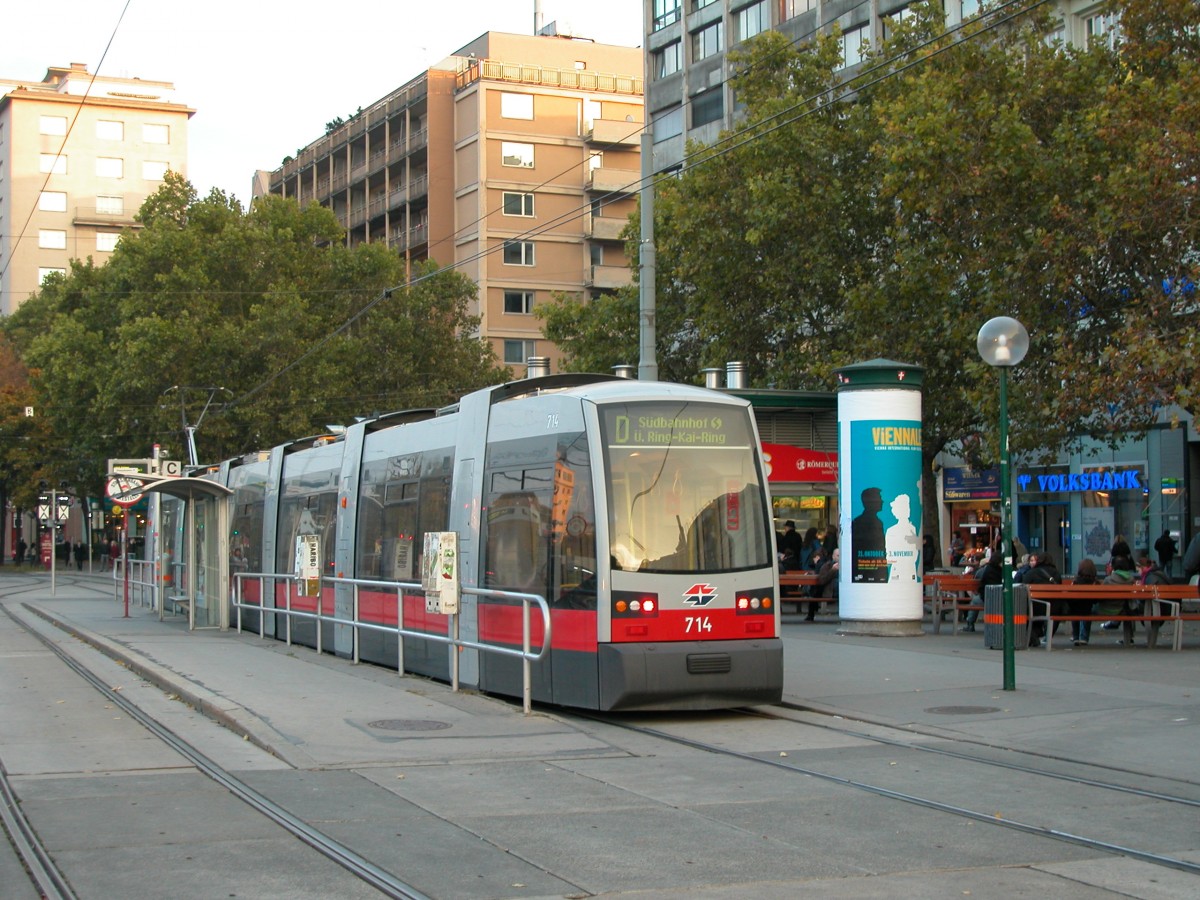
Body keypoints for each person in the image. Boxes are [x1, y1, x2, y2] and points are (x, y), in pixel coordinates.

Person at [1023, 552, 1062, 646]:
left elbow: (1024, 585)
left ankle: (1034, 635)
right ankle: (1047, 637)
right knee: (1055, 612)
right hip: (1054, 607)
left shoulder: (1032, 572)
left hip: (1035, 606)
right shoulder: (1056, 573)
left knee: (1022, 611)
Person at [851, 487, 887, 582]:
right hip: (867, 572)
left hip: (873, 570)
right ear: (871, 502)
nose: (882, 501)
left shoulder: (876, 522)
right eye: (879, 498)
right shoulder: (860, 522)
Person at [1102, 555, 1139, 646]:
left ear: (1114, 566)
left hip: (1107, 609)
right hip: (1124, 609)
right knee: (1128, 609)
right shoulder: (1131, 580)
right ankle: (1129, 638)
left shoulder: (1108, 580)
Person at [1070, 558, 1099, 646]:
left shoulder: (1076, 581)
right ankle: (1084, 637)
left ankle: (1076, 637)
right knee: (1087, 612)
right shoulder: (1095, 582)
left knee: (1075, 613)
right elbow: (1096, 600)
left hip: (1076, 607)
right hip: (1088, 608)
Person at [809, 548, 840, 621]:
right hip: (830, 591)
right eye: (838, 555)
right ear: (833, 556)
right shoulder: (827, 566)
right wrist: (833, 570)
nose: (840, 558)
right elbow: (822, 580)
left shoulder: (846, 566)